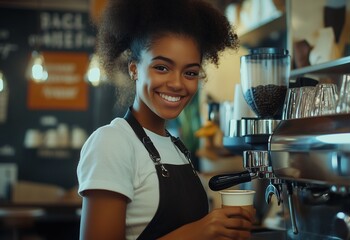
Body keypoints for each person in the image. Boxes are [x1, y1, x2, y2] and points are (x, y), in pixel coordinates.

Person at [76, 0, 255, 239]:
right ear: (134, 69)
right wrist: (198, 232)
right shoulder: (112, 142)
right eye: (162, 68)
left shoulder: (177, 146)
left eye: (190, 72)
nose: (177, 84)